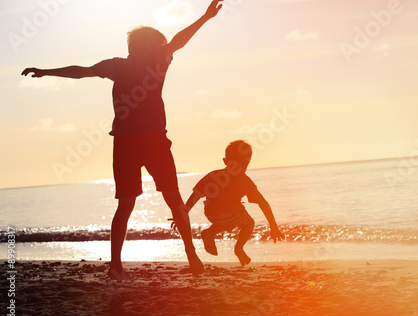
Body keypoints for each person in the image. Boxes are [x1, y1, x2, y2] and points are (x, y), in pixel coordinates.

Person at [21, 0, 225, 279]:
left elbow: (80, 71)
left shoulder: (116, 66)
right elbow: (178, 42)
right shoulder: (155, 57)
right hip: (153, 140)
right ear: (151, 46)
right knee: (173, 198)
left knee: (126, 205)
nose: (166, 52)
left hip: (126, 142)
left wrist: (46, 71)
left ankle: (116, 264)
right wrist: (204, 17)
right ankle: (190, 254)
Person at [178, 140, 285, 266]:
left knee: (229, 219)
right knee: (249, 223)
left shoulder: (213, 175)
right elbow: (263, 203)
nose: (242, 168)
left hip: (211, 214)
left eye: (245, 164)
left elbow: (195, 195)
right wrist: (273, 227)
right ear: (225, 162)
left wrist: (183, 212)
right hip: (231, 214)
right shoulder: (244, 180)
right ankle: (239, 248)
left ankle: (209, 232)